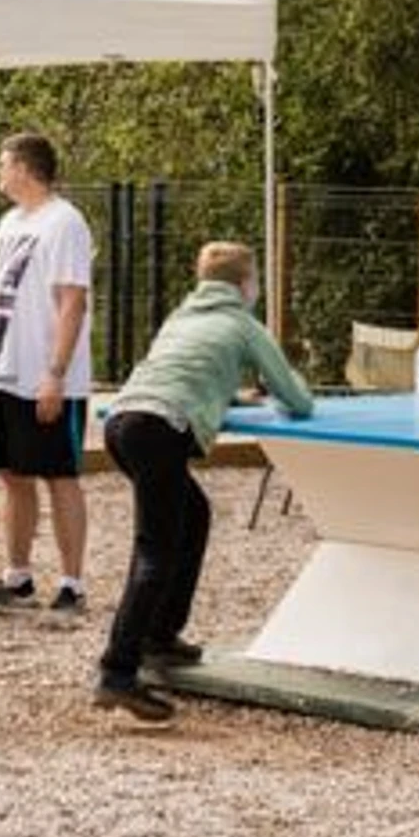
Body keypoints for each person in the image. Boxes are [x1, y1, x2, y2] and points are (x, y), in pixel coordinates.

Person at [92, 240, 314, 725]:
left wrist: (225, 396)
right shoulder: (243, 324)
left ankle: (160, 636)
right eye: (255, 280)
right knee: (155, 551)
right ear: (246, 284)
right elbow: (297, 400)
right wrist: (286, 392)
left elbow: (184, 373)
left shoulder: (181, 317)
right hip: (160, 429)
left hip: (123, 423)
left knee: (193, 515)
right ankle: (117, 672)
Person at [0, 130, 93, 611]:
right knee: (12, 474)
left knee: (59, 475)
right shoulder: (9, 222)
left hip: (44, 375)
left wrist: (56, 374)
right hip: (5, 371)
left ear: (24, 168)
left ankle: (72, 582)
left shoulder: (65, 221)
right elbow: (2, 290)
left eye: (3, 164)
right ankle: (19, 574)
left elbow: (73, 302)